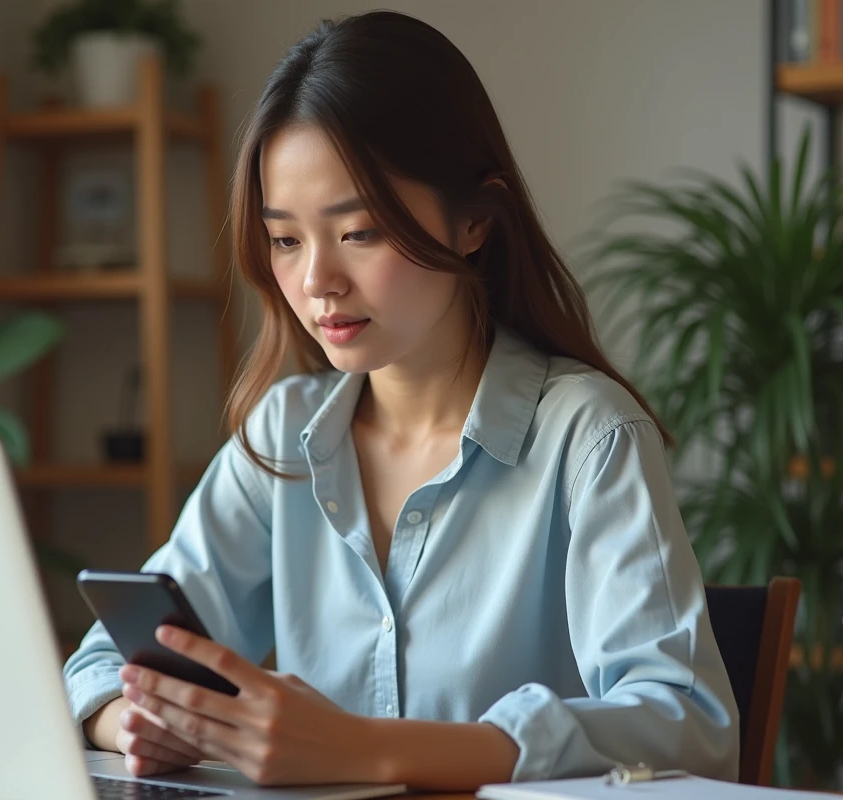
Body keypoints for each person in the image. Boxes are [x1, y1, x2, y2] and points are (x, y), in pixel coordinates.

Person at [63, 9, 738, 791]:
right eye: (285, 239)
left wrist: (371, 751)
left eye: (360, 232)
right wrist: (143, 720)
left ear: (475, 223)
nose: (317, 281)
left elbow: (687, 724)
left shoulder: (588, 437)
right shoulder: (284, 436)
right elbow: (106, 662)